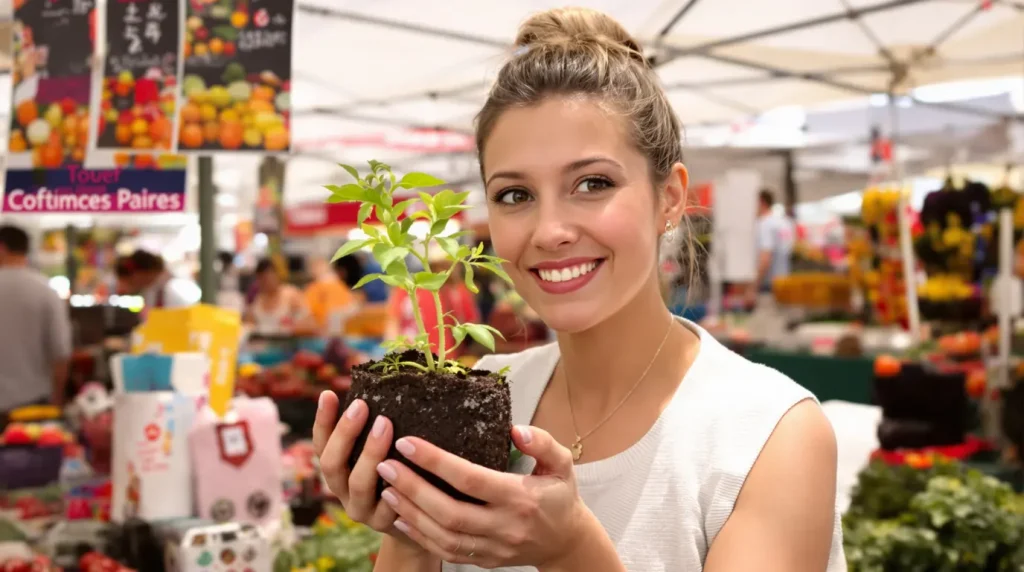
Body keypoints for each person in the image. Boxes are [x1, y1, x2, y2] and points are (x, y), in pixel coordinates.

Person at [313, 8, 843, 572]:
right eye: (515, 195)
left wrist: (572, 553)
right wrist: (414, 527)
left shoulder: (768, 434)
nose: (550, 232)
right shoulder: (485, 398)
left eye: (593, 184)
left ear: (670, 198)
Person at [0, 225, 72, 412]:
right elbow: (61, 352)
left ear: (2, 248)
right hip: (33, 405)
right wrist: (57, 400)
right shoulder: (46, 291)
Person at [384, 246, 480, 360]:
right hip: (412, 355)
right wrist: (401, 348)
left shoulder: (460, 292)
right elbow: (393, 323)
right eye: (445, 265)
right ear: (433, 267)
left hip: (447, 357)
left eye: (454, 265)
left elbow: (472, 325)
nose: (452, 270)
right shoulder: (408, 288)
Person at [115, 250, 199, 313]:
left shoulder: (176, 288)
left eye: (129, 282)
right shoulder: (151, 290)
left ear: (139, 274)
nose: (126, 288)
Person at [245, 258, 312, 336]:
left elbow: (310, 325)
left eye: (267, 278)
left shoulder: (291, 295)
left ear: (276, 275)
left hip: (287, 343)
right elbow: (248, 326)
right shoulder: (258, 300)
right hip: (262, 344)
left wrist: (291, 327)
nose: (265, 283)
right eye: (261, 279)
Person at [754, 189, 795, 300]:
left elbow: (766, 257)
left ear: (761, 202)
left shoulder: (764, 224)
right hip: (784, 282)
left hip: (768, 285)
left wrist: (753, 287)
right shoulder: (784, 222)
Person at [304, 256, 360, 335]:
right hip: (342, 331)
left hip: (326, 332)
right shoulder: (338, 285)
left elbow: (308, 312)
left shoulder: (318, 287)